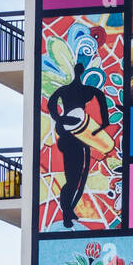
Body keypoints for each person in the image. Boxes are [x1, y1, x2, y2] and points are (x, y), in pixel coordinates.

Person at [47, 61, 112, 229]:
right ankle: (67, 211)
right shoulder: (86, 91)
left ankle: (68, 210)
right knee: (74, 179)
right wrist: (104, 123)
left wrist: (59, 118)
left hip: (70, 134)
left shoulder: (64, 90)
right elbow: (100, 96)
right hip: (73, 138)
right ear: (82, 72)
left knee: (76, 178)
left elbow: (51, 103)